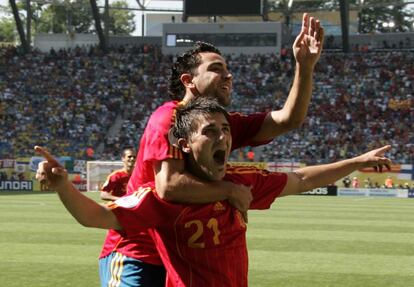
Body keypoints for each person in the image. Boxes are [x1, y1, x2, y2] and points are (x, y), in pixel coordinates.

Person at [34, 97, 392, 286]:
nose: (223, 137)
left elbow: (303, 179)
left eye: (226, 129)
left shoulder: (242, 181)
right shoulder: (162, 199)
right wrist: (64, 184)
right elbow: (95, 216)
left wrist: (356, 160)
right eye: (210, 131)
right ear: (185, 145)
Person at [99, 12, 325, 286]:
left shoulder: (220, 123)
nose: (228, 75)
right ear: (188, 81)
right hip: (138, 252)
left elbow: (289, 119)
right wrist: (231, 190)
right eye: (216, 68)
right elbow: (169, 186)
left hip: (180, 256)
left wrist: (305, 66)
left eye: (228, 69)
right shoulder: (169, 117)